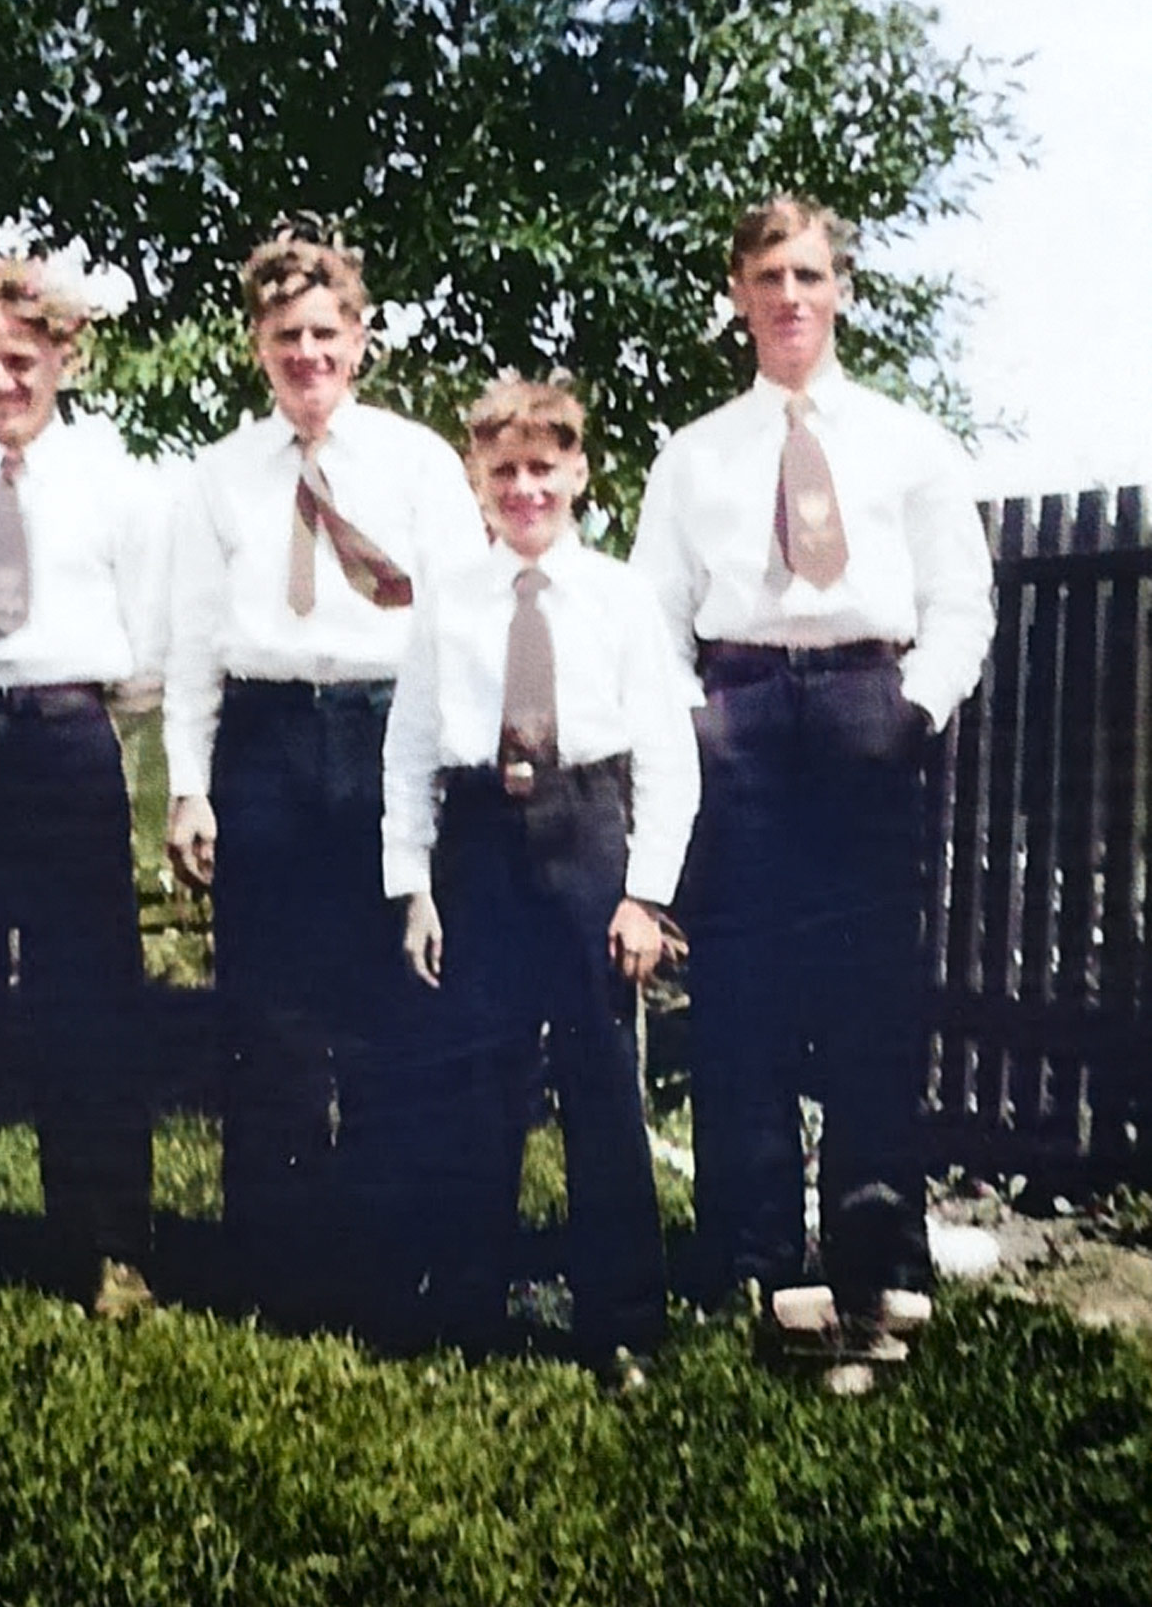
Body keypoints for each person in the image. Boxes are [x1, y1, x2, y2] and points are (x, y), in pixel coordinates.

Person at [631, 195, 995, 1345]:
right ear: (738, 296)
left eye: (809, 275)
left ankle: (877, 1244)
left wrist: (913, 707)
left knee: (871, 994)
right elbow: (652, 618)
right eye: (768, 278)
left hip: (863, 715)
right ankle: (747, 1250)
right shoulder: (695, 456)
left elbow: (960, 601)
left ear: (839, 289)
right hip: (739, 715)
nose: (789, 297)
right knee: (740, 994)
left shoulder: (907, 441)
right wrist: (701, 724)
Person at [162, 220, 486, 1329]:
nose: (306, 354)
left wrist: (452, 773)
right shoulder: (217, 478)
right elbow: (195, 641)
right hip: (263, 743)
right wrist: (189, 783)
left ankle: (393, 1266)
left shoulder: (417, 463)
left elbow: (463, 621)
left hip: (388, 727)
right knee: (271, 1011)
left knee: (397, 995)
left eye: (324, 333)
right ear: (258, 346)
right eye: (284, 335)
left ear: (360, 340)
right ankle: (280, 1268)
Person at [382, 374, 701, 1375]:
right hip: (480, 840)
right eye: (504, 471)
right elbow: (410, 749)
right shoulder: (449, 604)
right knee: (480, 1082)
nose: (524, 489)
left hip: (586, 834)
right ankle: (473, 1306)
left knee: (602, 1081)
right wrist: (416, 885)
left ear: (579, 474)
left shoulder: (619, 598)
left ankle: (620, 1320)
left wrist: (645, 892)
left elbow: (665, 755)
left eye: (542, 470)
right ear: (479, 482)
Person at [0, 231, 175, 1305]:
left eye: (23, 360)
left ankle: (105, 1244)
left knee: (87, 995)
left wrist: (64, 712)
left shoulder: (120, 487)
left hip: (67, 742)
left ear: (64, 360)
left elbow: (146, 648)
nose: (2, 383)